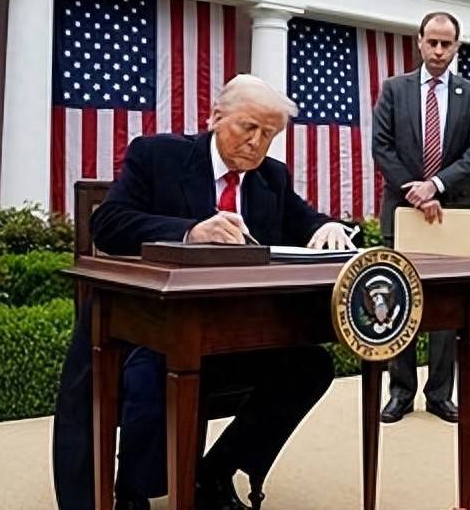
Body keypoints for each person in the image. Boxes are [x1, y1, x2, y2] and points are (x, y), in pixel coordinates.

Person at [52, 74, 355, 510]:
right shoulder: (157, 155)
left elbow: (305, 220)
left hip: (229, 335)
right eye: (248, 127)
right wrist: (190, 231)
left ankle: (214, 474)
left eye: (269, 135)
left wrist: (327, 227)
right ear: (215, 117)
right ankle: (134, 490)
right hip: (149, 330)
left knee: (310, 365)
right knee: (154, 369)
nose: (256, 143)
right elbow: (109, 224)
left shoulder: (271, 176)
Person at [371, 11, 470, 424]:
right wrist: (415, 191)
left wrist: (435, 186)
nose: (439, 50)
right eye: (432, 42)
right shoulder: (394, 89)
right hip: (403, 210)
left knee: (446, 306)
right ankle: (400, 392)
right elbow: (382, 147)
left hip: (451, 212)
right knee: (399, 300)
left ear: (456, 46)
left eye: (446, 44)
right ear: (419, 41)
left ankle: (440, 394)